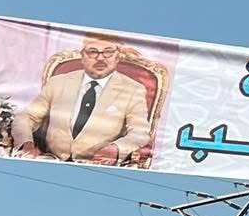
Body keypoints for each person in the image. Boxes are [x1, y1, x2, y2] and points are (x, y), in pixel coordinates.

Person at [10, 37, 155, 163]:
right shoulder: (58, 82)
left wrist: (116, 149)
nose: (100, 58)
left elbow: (139, 132)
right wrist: (26, 143)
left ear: (117, 57)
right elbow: (26, 117)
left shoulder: (133, 90)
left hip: (97, 167)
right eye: (93, 52)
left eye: (108, 52)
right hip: (50, 159)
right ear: (83, 57)